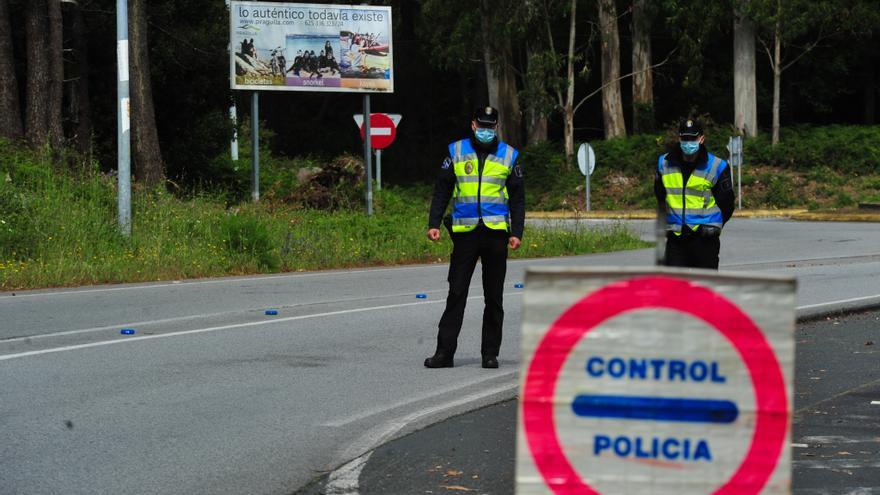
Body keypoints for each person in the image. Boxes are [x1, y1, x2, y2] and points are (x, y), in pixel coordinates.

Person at [424, 106, 525, 369]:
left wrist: (517, 232)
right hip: (465, 234)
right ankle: (444, 354)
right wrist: (434, 223)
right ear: (472, 125)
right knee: (456, 292)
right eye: (481, 126)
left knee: (494, 297)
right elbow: (442, 190)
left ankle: (490, 353)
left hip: (495, 234)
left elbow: (517, 198)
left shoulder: (509, 155)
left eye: (490, 127)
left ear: (496, 127)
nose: (485, 131)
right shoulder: (455, 151)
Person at [654, 118, 735, 269]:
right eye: (685, 138)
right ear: (679, 138)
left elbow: (727, 203)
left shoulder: (717, 166)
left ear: (701, 139)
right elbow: (660, 196)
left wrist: (715, 225)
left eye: (693, 138)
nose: (688, 142)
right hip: (676, 238)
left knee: (705, 288)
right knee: (674, 289)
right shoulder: (664, 163)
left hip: (705, 238)